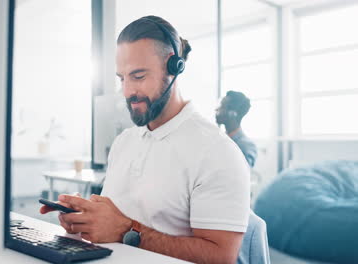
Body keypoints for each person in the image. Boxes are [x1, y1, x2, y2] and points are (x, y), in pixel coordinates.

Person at [40, 16, 250, 263]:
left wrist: (125, 231)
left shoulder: (217, 151)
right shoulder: (124, 142)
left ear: (174, 69)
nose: (128, 91)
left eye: (138, 76)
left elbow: (221, 257)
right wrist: (88, 219)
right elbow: (115, 221)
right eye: (122, 78)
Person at [216, 91, 258, 168]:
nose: (217, 109)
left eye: (222, 107)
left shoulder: (245, 146)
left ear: (232, 114)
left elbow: (241, 176)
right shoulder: (218, 139)